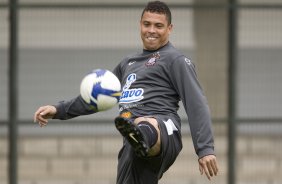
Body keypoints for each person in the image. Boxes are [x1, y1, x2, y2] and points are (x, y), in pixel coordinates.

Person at [34, 1, 218, 184]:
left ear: (169, 29)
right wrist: (59, 110)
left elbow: (197, 103)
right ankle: (138, 137)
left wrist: (205, 149)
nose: (151, 30)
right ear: (140, 25)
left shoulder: (175, 60)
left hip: (164, 129)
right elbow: (97, 97)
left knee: (143, 123)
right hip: (131, 144)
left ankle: (142, 134)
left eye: (158, 26)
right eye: (147, 24)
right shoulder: (128, 63)